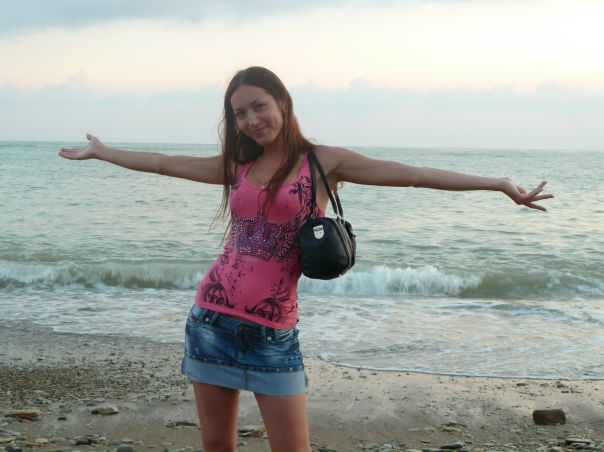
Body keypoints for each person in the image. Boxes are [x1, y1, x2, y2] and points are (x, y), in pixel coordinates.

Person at [59, 66, 553, 452]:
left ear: (282, 102)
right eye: (240, 113)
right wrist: (103, 152)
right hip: (211, 320)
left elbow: (412, 175)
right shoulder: (239, 165)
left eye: (259, 106)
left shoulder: (323, 161)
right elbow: (165, 163)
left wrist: (497, 184)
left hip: (273, 334)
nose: (251, 120)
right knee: (217, 446)